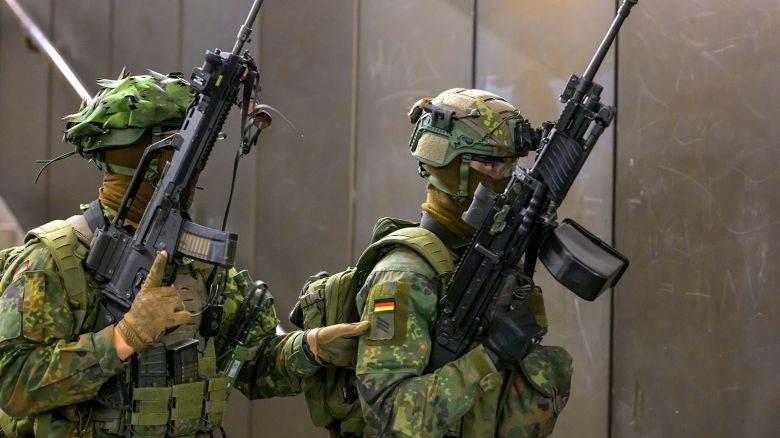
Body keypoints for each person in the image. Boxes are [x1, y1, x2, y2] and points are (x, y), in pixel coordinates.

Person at [0, 71, 366, 437]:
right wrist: (122, 338)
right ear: (152, 158)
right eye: (182, 152)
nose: (195, 172)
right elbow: (13, 385)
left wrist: (313, 346)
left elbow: (251, 365)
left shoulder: (193, 259)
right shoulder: (53, 260)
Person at [354, 88, 573, 437]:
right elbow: (388, 414)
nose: (503, 176)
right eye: (489, 163)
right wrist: (489, 356)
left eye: (510, 164)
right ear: (445, 165)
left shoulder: (486, 256)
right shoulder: (401, 278)